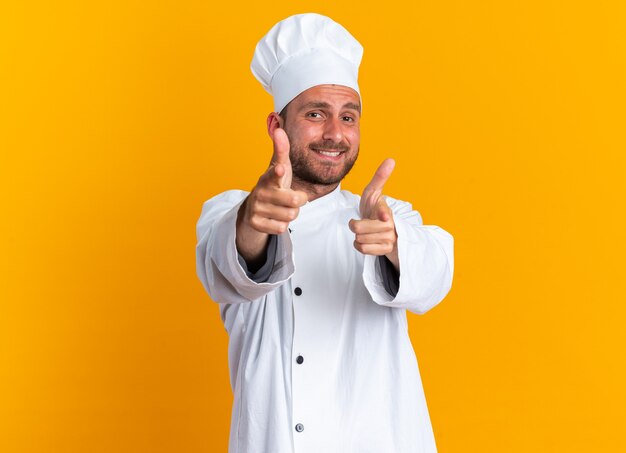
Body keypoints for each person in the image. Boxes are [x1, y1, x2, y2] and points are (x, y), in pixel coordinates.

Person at [196, 13, 454, 453]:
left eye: (348, 117)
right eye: (316, 114)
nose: (335, 134)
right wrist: (254, 219)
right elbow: (230, 263)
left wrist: (394, 245)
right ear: (277, 126)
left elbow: (434, 276)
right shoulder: (229, 212)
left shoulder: (386, 217)